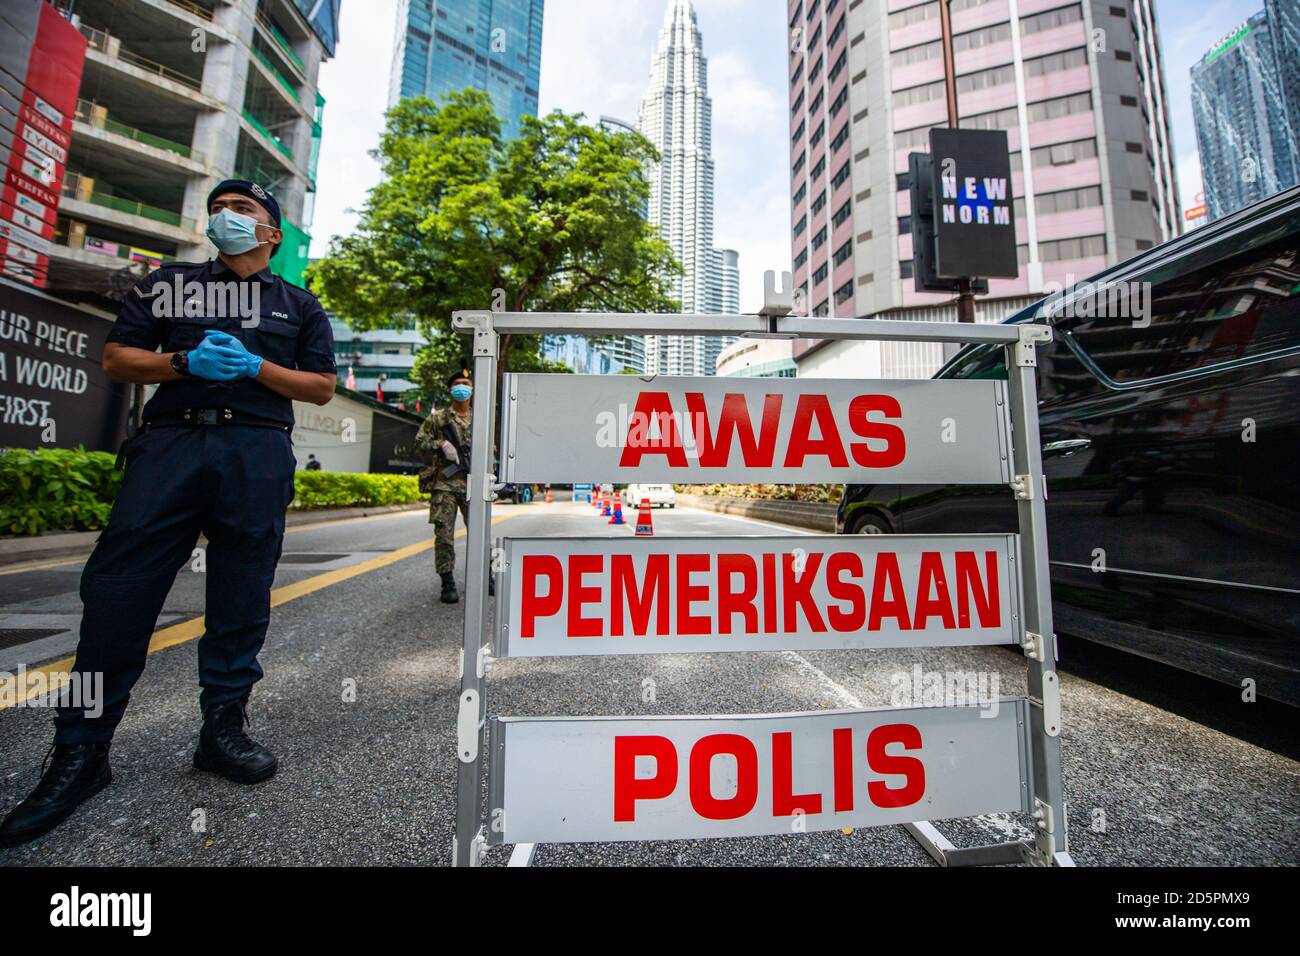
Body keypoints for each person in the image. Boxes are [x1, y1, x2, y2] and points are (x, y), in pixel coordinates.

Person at [0, 180, 337, 848]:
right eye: (218, 209)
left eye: (242, 211)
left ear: (272, 233)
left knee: (242, 600)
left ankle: (222, 730)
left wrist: (255, 366)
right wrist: (182, 361)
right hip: (171, 445)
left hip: (256, 451)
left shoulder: (299, 305)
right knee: (117, 598)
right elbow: (118, 359)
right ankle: (80, 753)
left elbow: (321, 386)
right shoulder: (170, 286)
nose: (226, 217)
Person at [415, 369, 493, 604]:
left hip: (474, 485)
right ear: (450, 390)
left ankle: (486, 577)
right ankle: (447, 581)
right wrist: (441, 444)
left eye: (466, 383)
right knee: (444, 536)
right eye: (457, 384)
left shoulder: (482, 418)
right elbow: (419, 442)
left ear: (473, 389)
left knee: (481, 535)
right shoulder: (439, 418)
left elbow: (492, 449)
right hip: (445, 485)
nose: (462, 387)